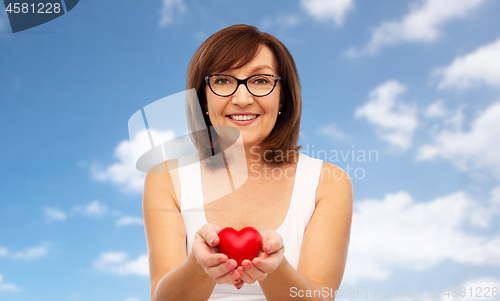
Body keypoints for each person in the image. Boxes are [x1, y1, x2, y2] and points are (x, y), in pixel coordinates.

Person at [143, 24, 353, 301]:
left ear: (283, 97)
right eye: (222, 81)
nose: (242, 99)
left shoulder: (328, 182)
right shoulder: (166, 177)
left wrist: (274, 269)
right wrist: (198, 265)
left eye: (261, 81)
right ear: (202, 99)